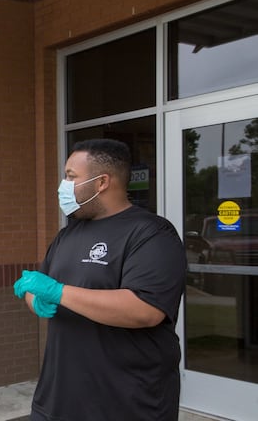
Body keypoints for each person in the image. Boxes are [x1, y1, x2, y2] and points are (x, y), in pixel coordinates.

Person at [14, 139, 186, 420]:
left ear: (102, 182)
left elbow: (145, 310)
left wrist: (58, 292)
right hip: (58, 400)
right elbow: (41, 286)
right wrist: (34, 298)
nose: (62, 185)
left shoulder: (151, 233)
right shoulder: (67, 234)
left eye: (71, 176)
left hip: (126, 403)